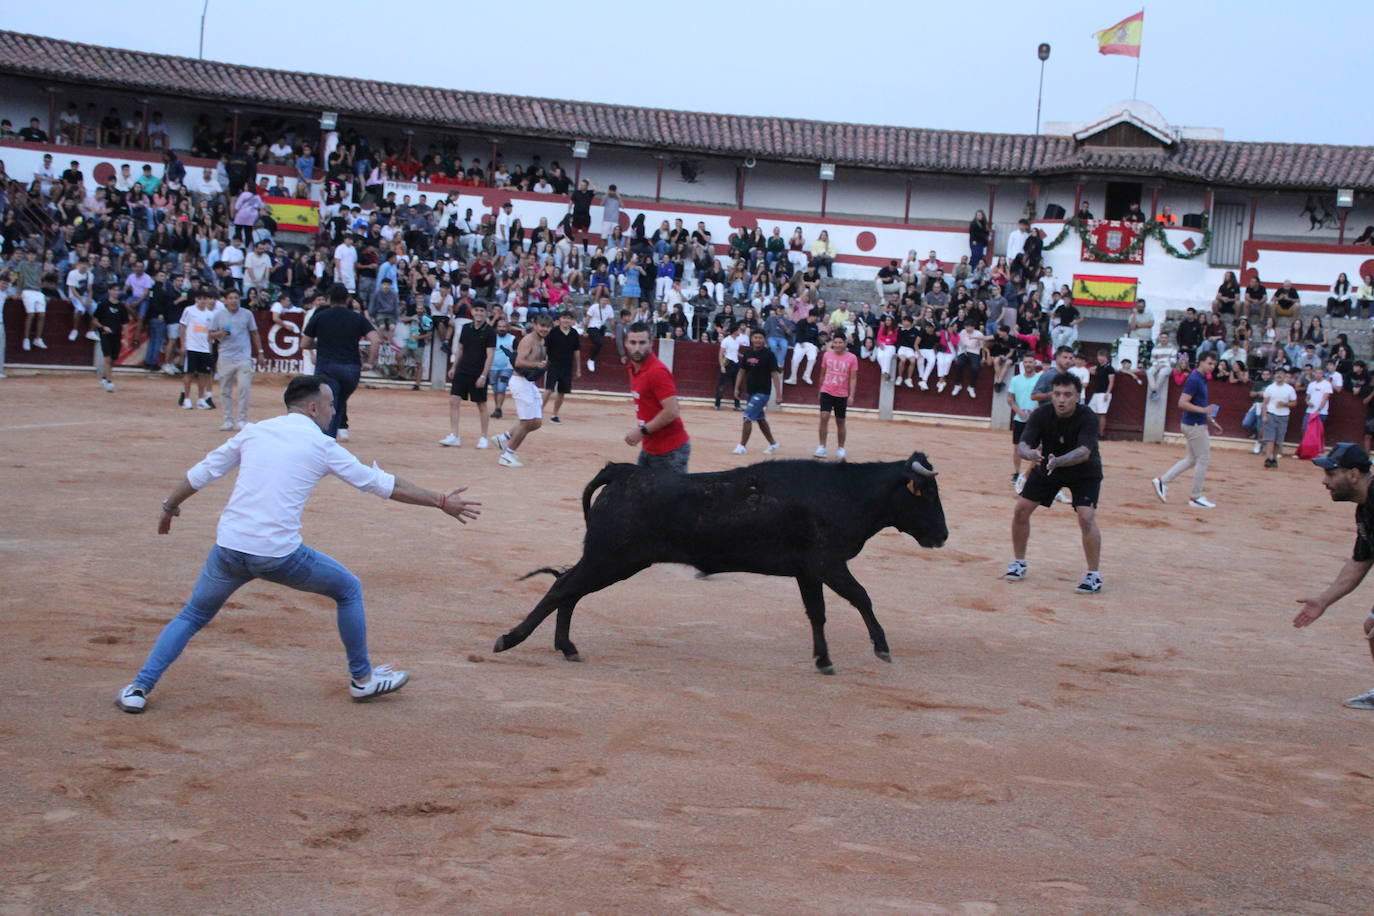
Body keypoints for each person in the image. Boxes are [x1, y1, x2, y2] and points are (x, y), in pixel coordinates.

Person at [115, 375, 481, 714]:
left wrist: (169, 507)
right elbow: (382, 484)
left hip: (230, 548)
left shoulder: (255, 432)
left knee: (193, 615)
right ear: (313, 408)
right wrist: (440, 501)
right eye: (331, 404)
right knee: (348, 589)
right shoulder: (322, 445)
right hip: (277, 555)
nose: (334, 411)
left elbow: (204, 472)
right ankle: (362, 680)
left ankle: (139, 687)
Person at [1004, 371, 1104, 594]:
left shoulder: (1088, 416)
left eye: (1067, 395)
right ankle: (1019, 562)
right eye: (1057, 394)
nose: (1061, 399)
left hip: (1084, 471)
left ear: (1077, 397)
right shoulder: (1041, 414)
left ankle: (1093, 575)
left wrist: (1058, 461)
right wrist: (1029, 454)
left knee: (1086, 517)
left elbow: (1084, 452)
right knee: (1021, 509)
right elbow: (1023, 445)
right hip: (1048, 468)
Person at [1291, 443, 1374, 709]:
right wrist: (1323, 600)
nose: (1325, 482)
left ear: (1353, 474)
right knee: (1372, 627)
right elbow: (1360, 561)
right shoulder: (1366, 508)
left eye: (1331, 474)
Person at [302, 283, 380, 441]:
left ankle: (326, 443)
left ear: (329, 299)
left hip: (327, 368)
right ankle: (330, 440)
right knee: (337, 405)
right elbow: (375, 340)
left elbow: (305, 343)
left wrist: (322, 344)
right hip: (351, 371)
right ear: (348, 299)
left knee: (328, 407)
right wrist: (370, 362)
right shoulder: (357, 318)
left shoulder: (320, 316)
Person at [1152, 351, 1223, 509]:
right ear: (1201, 362)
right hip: (1194, 425)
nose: (1212, 367)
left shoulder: (1201, 378)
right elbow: (1182, 403)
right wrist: (1203, 412)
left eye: (1214, 364)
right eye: (1209, 363)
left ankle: (1162, 481)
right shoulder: (1195, 379)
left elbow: (1200, 403)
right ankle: (1196, 497)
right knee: (1203, 459)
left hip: (1193, 423)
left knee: (1192, 459)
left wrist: (1211, 420)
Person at [623, 322, 690, 472]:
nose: (637, 348)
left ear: (651, 343)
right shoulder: (633, 368)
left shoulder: (657, 372)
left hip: (670, 450)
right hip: (651, 446)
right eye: (633, 342)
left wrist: (642, 431)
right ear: (626, 343)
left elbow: (672, 411)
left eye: (642, 343)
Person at [494, 313, 552, 468]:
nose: (545, 329)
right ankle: (507, 455)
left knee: (536, 422)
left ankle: (504, 437)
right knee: (527, 422)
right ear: (535, 325)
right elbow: (519, 362)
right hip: (520, 382)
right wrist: (537, 365)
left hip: (528, 383)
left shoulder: (542, 340)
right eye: (542, 325)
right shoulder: (528, 340)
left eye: (547, 327)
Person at [441, 301, 496, 449]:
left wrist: (484, 375)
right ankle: (454, 435)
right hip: (463, 370)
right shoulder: (466, 328)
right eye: (476, 310)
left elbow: (490, 355)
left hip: (478, 372)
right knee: (454, 400)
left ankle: (484, 437)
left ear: (486, 313)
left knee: (481, 404)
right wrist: (454, 367)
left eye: (482, 310)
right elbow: (460, 349)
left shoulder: (490, 331)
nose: (479, 313)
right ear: (472, 312)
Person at [210, 289, 261, 431]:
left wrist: (260, 352)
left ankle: (242, 420)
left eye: (236, 298)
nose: (233, 300)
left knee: (244, 388)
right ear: (225, 301)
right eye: (230, 298)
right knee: (225, 390)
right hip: (225, 356)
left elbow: (254, 333)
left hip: (243, 356)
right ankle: (228, 420)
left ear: (239, 299)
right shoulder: (218, 315)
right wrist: (220, 333)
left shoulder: (247, 314)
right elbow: (210, 335)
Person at [733, 329, 783, 456]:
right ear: (751, 339)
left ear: (764, 339)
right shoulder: (748, 353)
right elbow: (742, 371)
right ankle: (772, 443)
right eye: (755, 337)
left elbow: (775, 375)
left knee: (747, 417)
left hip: (763, 392)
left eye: (760, 338)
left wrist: (779, 395)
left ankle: (742, 446)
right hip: (751, 391)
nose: (758, 340)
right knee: (760, 419)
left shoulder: (769, 355)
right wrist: (737, 388)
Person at [815, 334, 859, 459]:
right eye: (836, 342)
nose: (838, 345)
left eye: (840, 342)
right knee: (824, 417)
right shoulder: (827, 355)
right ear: (832, 343)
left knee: (840, 421)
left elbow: (853, 378)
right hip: (827, 390)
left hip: (842, 393)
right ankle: (822, 446)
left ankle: (841, 448)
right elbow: (822, 374)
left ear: (845, 344)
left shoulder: (852, 358)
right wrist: (820, 390)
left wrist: (851, 395)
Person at [179, 289, 221, 410]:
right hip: (191, 347)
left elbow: (211, 333)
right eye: (200, 298)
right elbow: (182, 327)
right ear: (196, 299)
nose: (202, 301)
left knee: (204, 374)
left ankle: (201, 399)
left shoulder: (211, 315)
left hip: (205, 349)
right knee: (189, 373)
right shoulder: (189, 310)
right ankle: (186, 399)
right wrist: (183, 344)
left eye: (204, 299)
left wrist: (220, 334)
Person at [541, 310, 582, 423]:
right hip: (553, 364)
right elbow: (545, 347)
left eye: (568, 318)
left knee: (562, 392)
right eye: (564, 318)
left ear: (572, 320)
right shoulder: (553, 332)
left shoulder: (574, 333)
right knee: (548, 389)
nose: (566, 320)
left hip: (567, 366)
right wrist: (543, 360)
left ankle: (555, 415)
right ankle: (538, 412)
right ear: (560, 319)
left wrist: (578, 368)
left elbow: (577, 351)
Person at [1007, 353, 1039, 492]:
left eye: (1030, 362)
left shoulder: (1040, 379)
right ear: (1023, 364)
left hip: (1036, 420)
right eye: (1025, 362)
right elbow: (1010, 398)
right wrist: (1018, 411)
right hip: (1020, 419)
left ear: (1035, 363)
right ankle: (1017, 472)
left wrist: (1035, 412)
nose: (1028, 364)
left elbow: (1044, 399)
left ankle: (1030, 473)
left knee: (1037, 448)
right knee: (1017, 448)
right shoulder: (1016, 379)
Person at [91, 287, 128, 393]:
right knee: (107, 358)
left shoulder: (122, 306)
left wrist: (125, 338)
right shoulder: (103, 304)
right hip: (105, 335)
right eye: (114, 290)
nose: (116, 292)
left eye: (118, 290)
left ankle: (104, 378)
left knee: (113, 359)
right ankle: (109, 381)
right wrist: (103, 327)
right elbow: (94, 320)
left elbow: (125, 323)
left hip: (117, 335)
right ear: (109, 291)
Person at [1260, 367, 1297, 468]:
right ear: (1274, 376)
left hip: (1283, 416)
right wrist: (1264, 415)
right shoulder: (1270, 388)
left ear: (1285, 376)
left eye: (1281, 373)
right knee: (1270, 439)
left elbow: (1294, 403)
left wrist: (1285, 404)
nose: (1279, 375)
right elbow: (1265, 403)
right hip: (1271, 414)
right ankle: (1268, 458)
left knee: (1278, 440)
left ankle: (1274, 458)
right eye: (1277, 373)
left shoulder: (1289, 389)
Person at [715, 323, 746, 411]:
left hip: (736, 363)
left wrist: (744, 356)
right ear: (735, 331)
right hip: (727, 362)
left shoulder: (737, 341)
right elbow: (721, 354)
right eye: (738, 330)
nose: (740, 331)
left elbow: (735, 352)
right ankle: (717, 404)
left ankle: (737, 405)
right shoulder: (726, 340)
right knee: (722, 384)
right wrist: (722, 366)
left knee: (737, 384)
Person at [1088, 349, 1116, 438]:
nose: (1099, 359)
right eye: (1098, 357)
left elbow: (1111, 382)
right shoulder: (1099, 367)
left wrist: (1107, 393)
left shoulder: (1110, 368)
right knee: (1091, 412)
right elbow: (1090, 370)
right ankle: (1094, 432)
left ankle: (1101, 434)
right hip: (1097, 393)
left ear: (1105, 357)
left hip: (1104, 393)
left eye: (1101, 357)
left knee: (1102, 414)